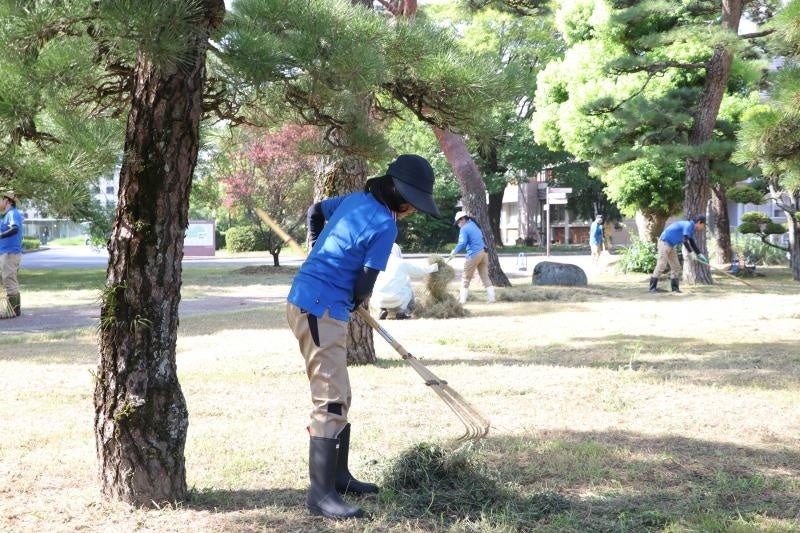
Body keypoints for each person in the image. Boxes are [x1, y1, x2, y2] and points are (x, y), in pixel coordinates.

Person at [286, 154, 440, 520]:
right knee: (330, 401)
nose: (413, 212)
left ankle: (338, 477)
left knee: (342, 394)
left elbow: (315, 212)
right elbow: (365, 282)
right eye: (414, 206)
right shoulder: (386, 226)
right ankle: (320, 495)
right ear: (403, 201)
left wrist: (315, 244)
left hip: (316, 304)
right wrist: (355, 297)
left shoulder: (356, 200)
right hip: (318, 308)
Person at [373, 243, 439, 319]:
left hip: (378, 300)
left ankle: (382, 310)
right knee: (408, 290)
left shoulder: (377, 262)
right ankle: (401, 312)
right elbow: (419, 271)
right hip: (396, 299)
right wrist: (435, 267)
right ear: (397, 251)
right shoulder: (401, 263)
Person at [649, 215, 707, 293]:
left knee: (676, 267)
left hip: (671, 245)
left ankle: (675, 289)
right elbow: (684, 240)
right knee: (661, 265)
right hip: (664, 242)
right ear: (699, 222)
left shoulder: (692, 229)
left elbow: (692, 242)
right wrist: (691, 253)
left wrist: (699, 254)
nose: (703, 228)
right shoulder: (688, 225)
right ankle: (652, 288)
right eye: (703, 225)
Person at [448, 211, 495, 304]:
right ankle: (492, 298)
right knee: (485, 277)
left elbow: (462, 243)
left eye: (458, 222)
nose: (458, 224)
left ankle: (462, 301)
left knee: (465, 277)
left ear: (463, 219)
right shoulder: (474, 224)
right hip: (484, 253)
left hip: (474, 254)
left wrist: (454, 251)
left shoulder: (464, 229)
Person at [0, 190, 23, 318]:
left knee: (9, 279)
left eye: (0, 199)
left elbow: (15, 228)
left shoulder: (12, 213)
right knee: (9, 279)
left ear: (7, 201)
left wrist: (1, 235)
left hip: (10, 253)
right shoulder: (7, 215)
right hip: (6, 252)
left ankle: (11, 311)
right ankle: (15, 310)